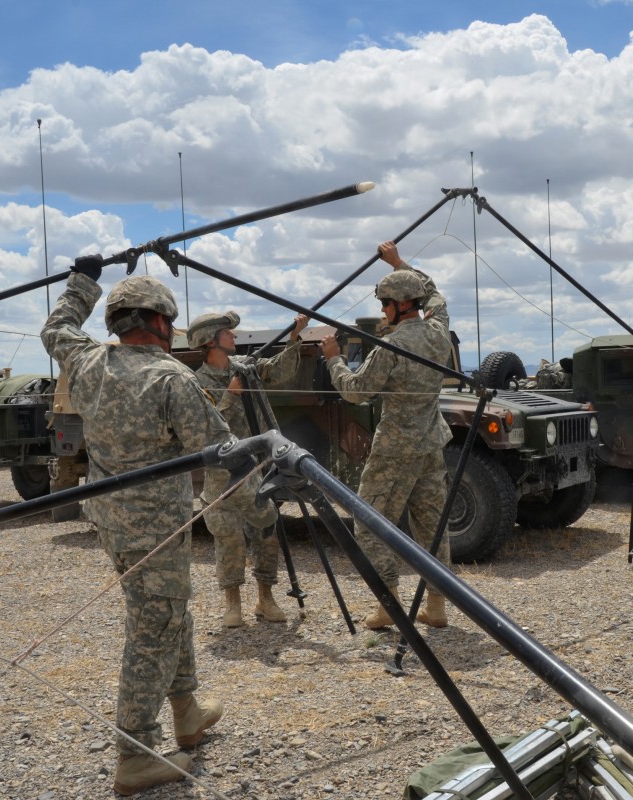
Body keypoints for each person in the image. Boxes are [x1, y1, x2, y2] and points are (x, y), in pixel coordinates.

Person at [41, 256, 275, 796]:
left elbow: (56, 327)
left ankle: (187, 710)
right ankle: (136, 753)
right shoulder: (171, 379)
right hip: (157, 529)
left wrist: (83, 281)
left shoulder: (86, 362)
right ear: (162, 322)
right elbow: (224, 455)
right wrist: (267, 487)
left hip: (114, 525)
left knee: (171, 612)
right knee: (154, 629)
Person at [320, 241, 453, 629]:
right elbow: (434, 292)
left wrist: (333, 359)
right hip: (431, 442)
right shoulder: (439, 330)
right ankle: (438, 606)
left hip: (395, 448)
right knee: (431, 524)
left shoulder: (391, 346)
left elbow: (356, 391)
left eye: (384, 304)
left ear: (399, 305)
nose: (382, 311)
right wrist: (399, 263)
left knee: (369, 522)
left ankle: (388, 604)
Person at [187, 309, 308, 627]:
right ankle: (232, 605)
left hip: (258, 472)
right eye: (228, 333)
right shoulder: (196, 383)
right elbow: (200, 430)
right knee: (228, 539)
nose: (235, 337)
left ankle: (265, 599)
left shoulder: (246, 368)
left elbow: (280, 372)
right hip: (223, 475)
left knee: (266, 533)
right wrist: (229, 396)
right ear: (210, 340)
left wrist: (295, 337)